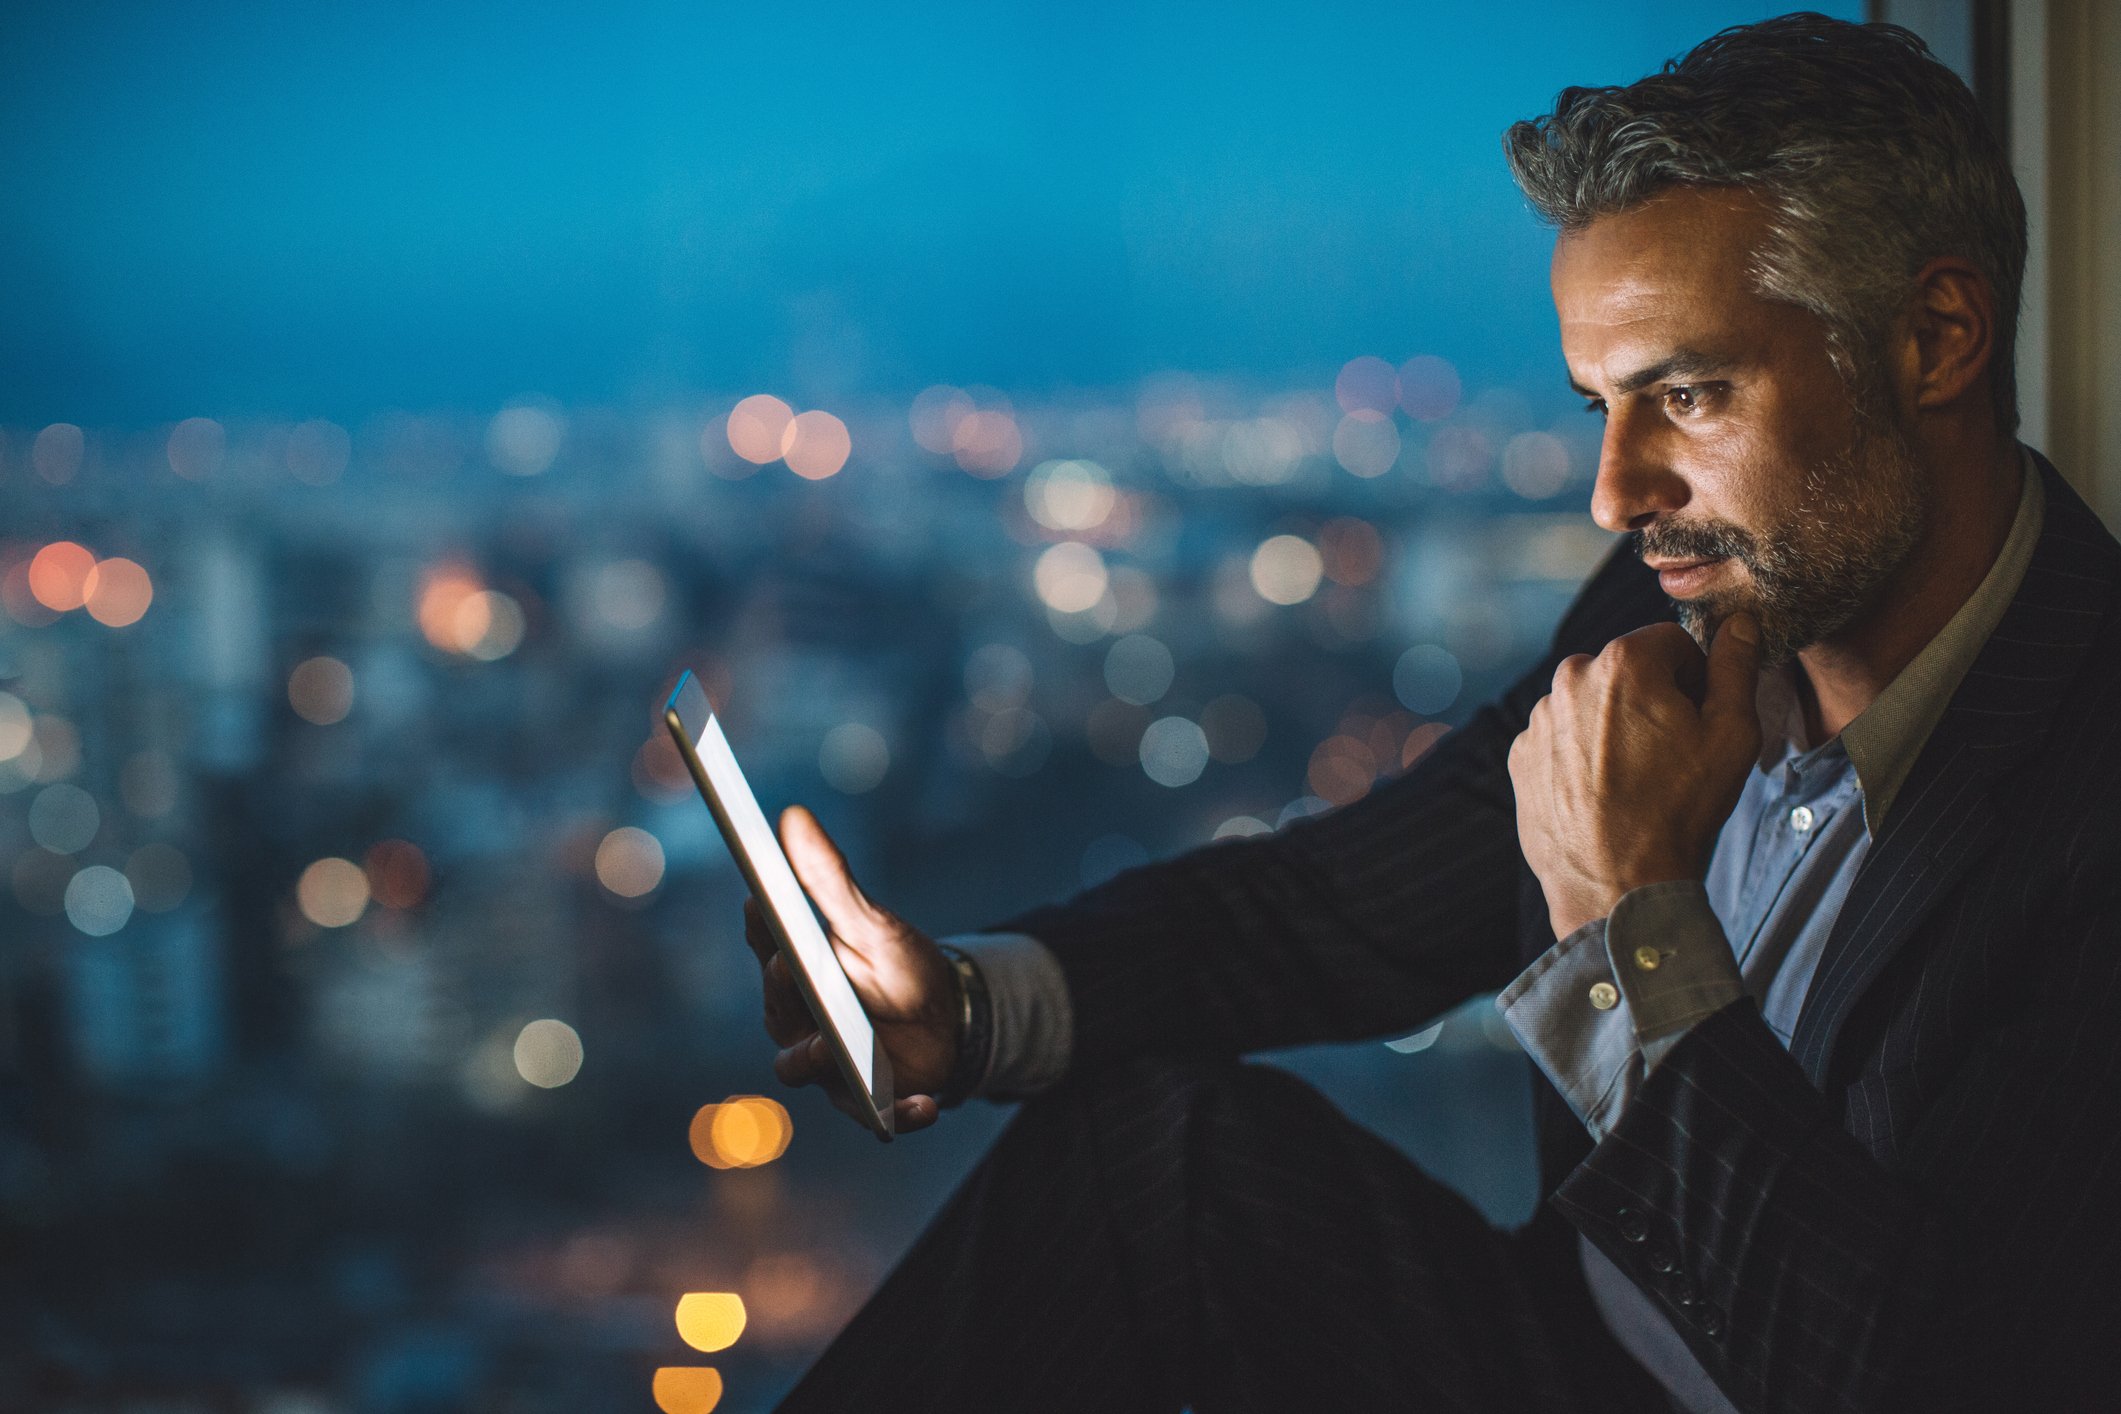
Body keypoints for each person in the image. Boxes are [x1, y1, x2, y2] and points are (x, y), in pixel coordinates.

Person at [742, 14, 2121, 1412]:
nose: (1612, 493)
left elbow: (1923, 1376)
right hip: (1569, 1347)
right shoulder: (1680, 605)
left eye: (1687, 393)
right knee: (1148, 1154)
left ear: (1936, 337)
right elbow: (1348, 904)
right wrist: (966, 1007)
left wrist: (1628, 927)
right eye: (1595, 402)